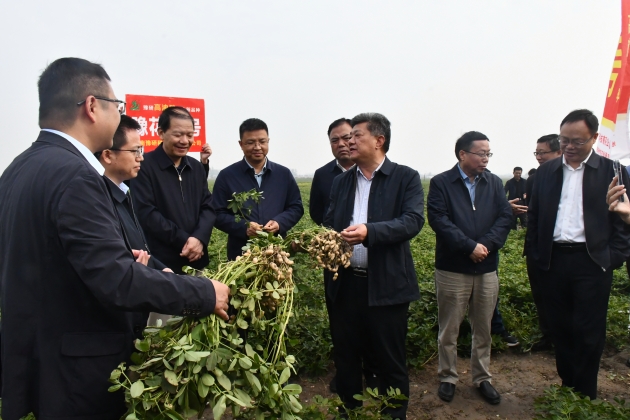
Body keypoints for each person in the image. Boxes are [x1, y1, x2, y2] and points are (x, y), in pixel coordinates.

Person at [0, 57, 230, 420]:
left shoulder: (18, 168)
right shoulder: (77, 177)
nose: (119, 114)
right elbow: (117, 281)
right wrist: (203, 293)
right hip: (78, 376)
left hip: (39, 362)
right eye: (116, 106)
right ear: (92, 106)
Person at [324, 113, 424, 419]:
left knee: (389, 358)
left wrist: (371, 232)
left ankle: (394, 414)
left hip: (387, 284)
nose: (349, 141)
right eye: (347, 136)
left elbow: (412, 221)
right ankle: (349, 411)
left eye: (357, 135)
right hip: (345, 284)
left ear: (379, 140)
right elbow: (329, 221)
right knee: (346, 356)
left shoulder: (405, 177)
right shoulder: (341, 181)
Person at [527, 109, 630, 399]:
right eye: (564, 140)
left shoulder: (612, 171)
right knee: (559, 327)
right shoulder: (546, 172)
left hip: (593, 261)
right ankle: (568, 384)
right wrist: (536, 255)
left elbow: (622, 221)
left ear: (594, 138)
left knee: (589, 329)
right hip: (554, 260)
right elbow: (534, 218)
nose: (569, 147)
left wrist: (613, 257)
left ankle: (585, 391)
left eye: (577, 141)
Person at [428, 131, 512, 405]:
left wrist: (484, 245)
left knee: (483, 328)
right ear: (463, 154)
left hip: (487, 268)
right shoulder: (442, 182)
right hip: (453, 269)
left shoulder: (494, 182)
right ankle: (448, 377)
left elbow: (504, 217)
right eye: (481, 153)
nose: (486, 159)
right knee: (449, 328)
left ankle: (482, 378)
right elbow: (439, 220)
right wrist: (468, 247)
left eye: (489, 154)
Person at [310, 118, 376, 393]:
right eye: (335, 140)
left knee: (372, 322)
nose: (342, 144)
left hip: (372, 262)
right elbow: (317, 213)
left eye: (347, 137)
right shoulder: (323, 175)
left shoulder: (377, 172)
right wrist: (335, 237)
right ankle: (346, 374)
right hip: (338, 262)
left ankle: (371, 371)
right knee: (341, 323)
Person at [97, 115, 173, 329]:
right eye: (135, 151)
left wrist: (161, 269)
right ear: (108, 155)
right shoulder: (100, 200)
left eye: (141, 150)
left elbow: (140, 249)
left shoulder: (123, 193)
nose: (141, 158)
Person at [131, 106, 215, 274]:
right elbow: (147, 213)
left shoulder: (196, 167)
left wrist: (199, 238)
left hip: (196, 260)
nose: (184, 141)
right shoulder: (144, 166)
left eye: (189, 135)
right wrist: (185, 241)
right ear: (161, 133)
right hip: (162, 264)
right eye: (178, 135)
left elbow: (208, 207)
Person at [212, 118, 304, 260]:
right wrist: (244, 227)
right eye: (250, 142)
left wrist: (279, 222)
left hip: (277, 253)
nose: (257, 147)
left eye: (262, 141)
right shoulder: (227, 176)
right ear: (241, 144)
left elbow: (296, 207)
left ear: (268, 141)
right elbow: (216, 213)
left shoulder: (283, 174)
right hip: (241, 255)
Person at [525, 134, 562, 352]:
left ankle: (564, 340)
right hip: (537, 249)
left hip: (561, 250)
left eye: (543, 153)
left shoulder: (570, 178)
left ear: (559, 152)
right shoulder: (535, 178)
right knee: (541, 295)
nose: (538, 157)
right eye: (536, 153)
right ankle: (548, 336)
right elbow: (533, 216)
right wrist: (532, 248)